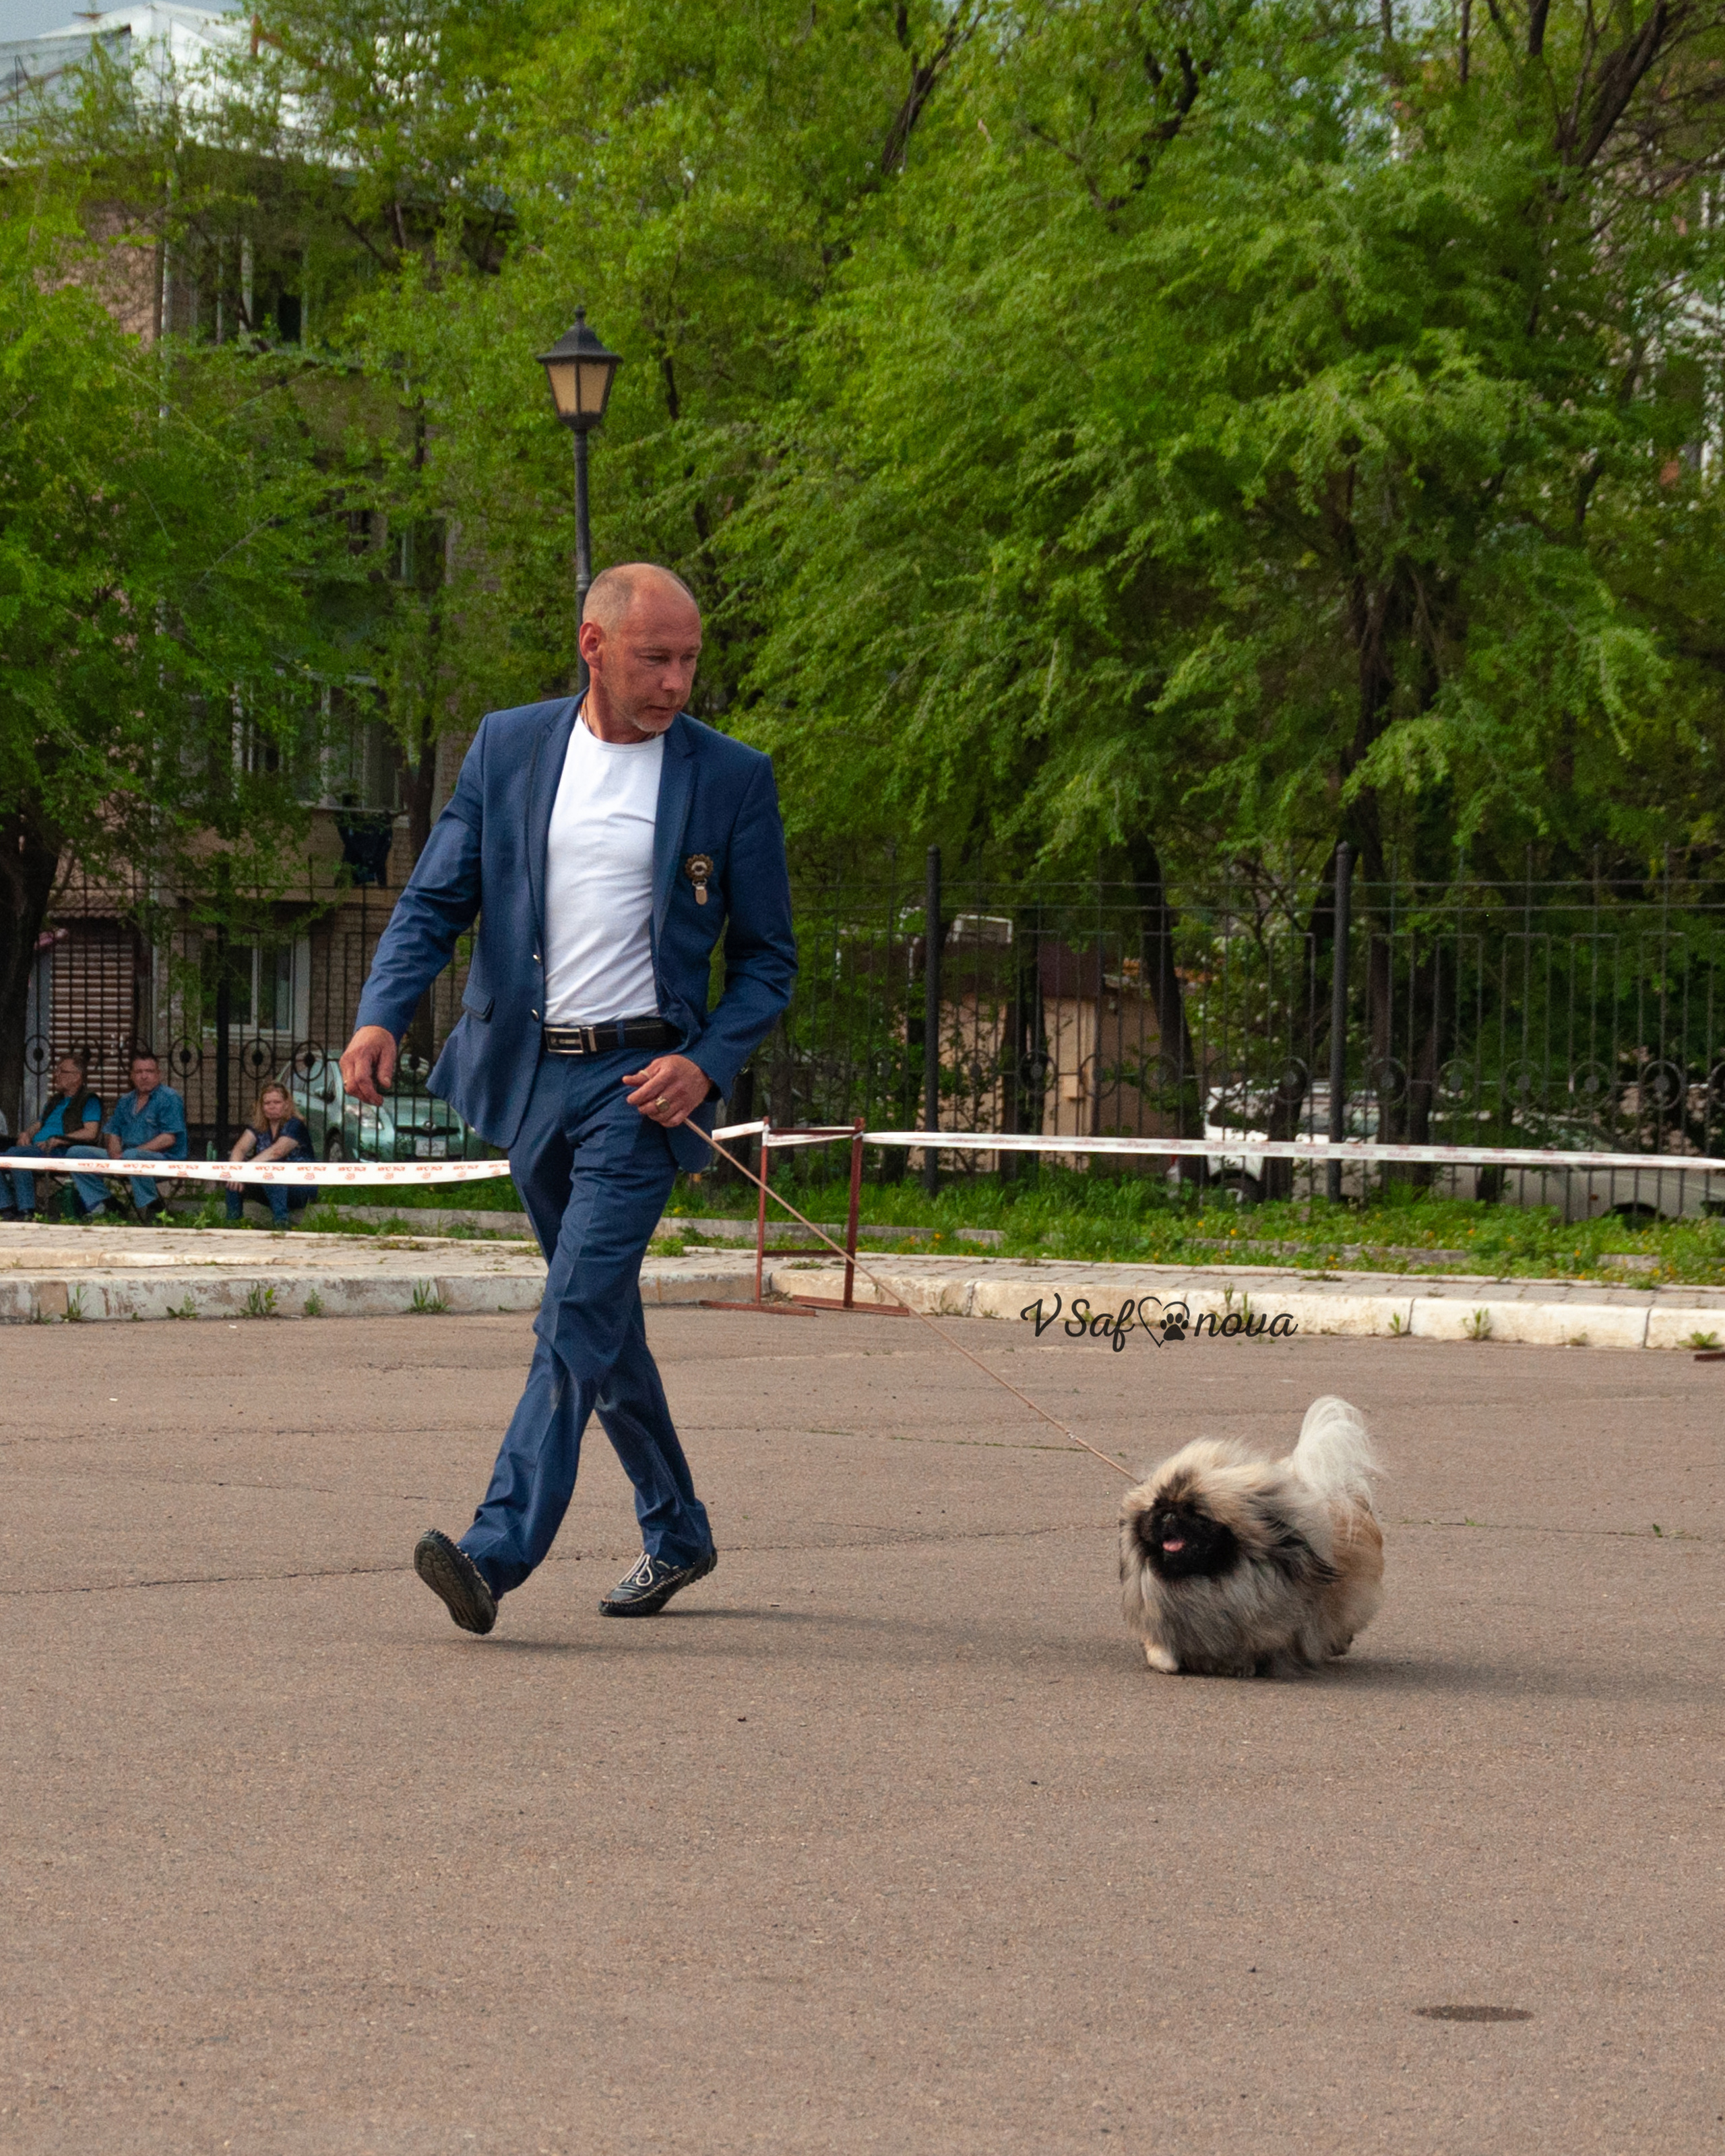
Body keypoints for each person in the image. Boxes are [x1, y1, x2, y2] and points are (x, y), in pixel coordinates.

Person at [340, 562, 796, 1636]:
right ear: (592, 646)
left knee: (576, 1311)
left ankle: (494, 1555)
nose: (678, 681)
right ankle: (678, 1530)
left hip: (646, 1089)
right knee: (603, 1325)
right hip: (533, 1075)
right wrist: (379, 1015)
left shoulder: (732, 779)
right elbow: (434, 901)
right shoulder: (510, 746)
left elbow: (769, 963)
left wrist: (708, 1062)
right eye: (656, 658)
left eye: (690, 659)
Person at [63, 1048, 187, 1223]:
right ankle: (109, 1205)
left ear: (158, 1075)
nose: (144, 1076)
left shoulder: (169, 1098)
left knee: (132, 1156)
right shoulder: (126, 1100)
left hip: (164, 1159)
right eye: (139, 1072)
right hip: (125, 1157)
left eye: (149, 1071)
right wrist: (115, 1156)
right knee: (75, 1153)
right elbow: (112, 1130)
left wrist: (128, 1157)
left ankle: (155, 1209)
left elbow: (168, 1138)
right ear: (132, 1076)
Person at [0, 1052, 103, 1221]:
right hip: (38, 1148)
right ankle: (6, 1208)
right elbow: (39, 1124)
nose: (57, 1075)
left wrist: (60, 1139)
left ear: (77, 1077)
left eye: (63, 1072)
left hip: (62, 1150)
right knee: (9, 1154)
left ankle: (27, 1211)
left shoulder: (89, 1100)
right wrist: (26, 1133)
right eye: (57, 1071)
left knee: (17, 1156)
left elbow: (90, 1133)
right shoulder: (55, 1101)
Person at [225, 1082, 316, 1228]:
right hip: (269, 1188)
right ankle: (233, 1222)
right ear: (261, 1106)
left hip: (299, 1189)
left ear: (287, 1104)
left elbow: (277, 1152)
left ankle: (281, 1223)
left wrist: (245, 1170)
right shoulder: (259, 1126)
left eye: (277, 1102)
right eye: (267, 1103)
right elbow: (240, 1149)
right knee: (233, 1170)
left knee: (269, 1169)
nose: (272, 1106)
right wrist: (236, 1170)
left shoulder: (295, 1125)